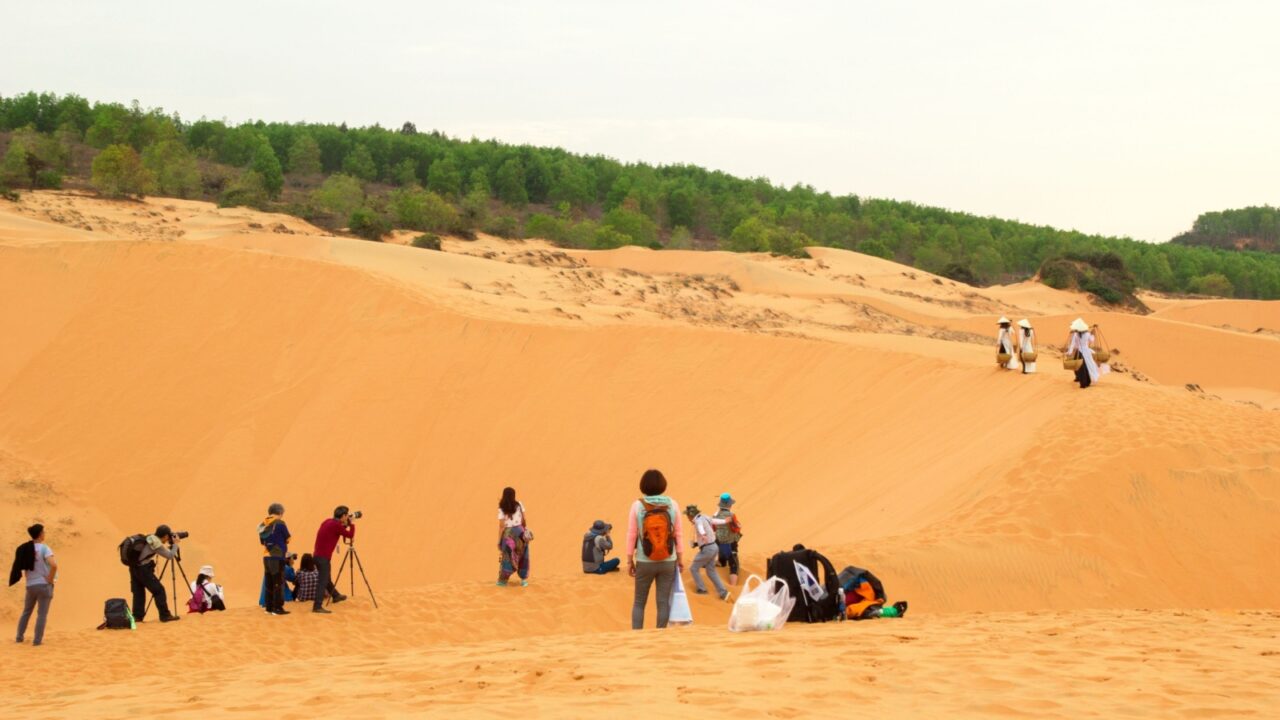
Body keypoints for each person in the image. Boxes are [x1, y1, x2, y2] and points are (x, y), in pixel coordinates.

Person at [626, 469, 685, 629]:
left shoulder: (637, 505)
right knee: (663, 601)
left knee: (639, 602)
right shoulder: (673, 504)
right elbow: (678, 534)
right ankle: (661, 635)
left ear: (643, 485)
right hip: (668, 559)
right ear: (663, 485)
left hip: (644, 560)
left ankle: (636, 635)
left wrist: (629, 560)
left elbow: (632, 534)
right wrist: (680, 559)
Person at [12, 524, 56, 646]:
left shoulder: (26, 548)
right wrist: (50, 579)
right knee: (42, 614)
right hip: (43, 585)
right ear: (40, 534)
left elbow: (25, 569)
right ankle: (37, 641)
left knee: (26, 612)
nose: (44, 534)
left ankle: (19, 637)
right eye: (44, 532)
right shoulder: (44, 548)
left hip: (30, 585)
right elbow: (53, 565)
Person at [128, 525, 181, 623]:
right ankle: (165, 615)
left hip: (134, 568)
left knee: (138, 592)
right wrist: (176, 544)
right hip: (143, 569)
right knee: (159, 590)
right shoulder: (156, 542)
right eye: (168, 536)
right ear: (165, 536)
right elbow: (169, 556)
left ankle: (137, 617)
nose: (168, 538)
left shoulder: (150, 537)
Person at [312, 506, 355, 613]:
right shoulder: (337, 525)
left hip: (317, 556)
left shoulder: (327, 521)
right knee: (323, 581)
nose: (347, 517)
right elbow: (350, 535)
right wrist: (352, 524)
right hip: (323, 558)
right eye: (347, 515)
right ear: (343, 516)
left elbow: (335, 531)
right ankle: (317, 606)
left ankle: (335, 596)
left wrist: (345, 524)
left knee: (326, 579)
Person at [684, 504, 731, 600]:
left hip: (707, 549)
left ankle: (702, 589)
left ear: (691, 515)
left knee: (693, 568)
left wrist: (703, 534)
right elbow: (714, 521)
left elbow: (701, 527)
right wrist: (725, 521)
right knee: (711, 571)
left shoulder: (697, 521)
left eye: (687, 515)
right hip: (714, 547)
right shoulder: (704, 517)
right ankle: (723, 593)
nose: (687, 518)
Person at [257, 503, 291, 616]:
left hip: (266, 556)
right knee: (278, 582)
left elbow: (262, 541)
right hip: (277, 556)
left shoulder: (263, 523)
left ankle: (269, 607)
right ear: (280, 512)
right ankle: (277, 608)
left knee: (269, 582)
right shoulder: (280, 523)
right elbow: (288, 538)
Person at [497, 487, 530, 587]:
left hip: (508, 535)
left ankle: (503, 581)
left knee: (507, 557)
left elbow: (501, 526)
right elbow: (524, 519)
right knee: (523, 556)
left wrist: (499, 541)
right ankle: (523, 580)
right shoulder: (519, 504)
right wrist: (523, 530)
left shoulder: (502, 507)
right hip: (520, 532)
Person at [1066, 318, 1104, 389]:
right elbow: (1092, 340)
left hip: (1079, 352)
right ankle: (1084, 380)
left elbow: (1073, 344)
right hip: (1086, 352)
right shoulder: (1087, 334)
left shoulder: (1076, 334)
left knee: (1079, 367)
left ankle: (1082, 381)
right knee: (1086, 366)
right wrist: (1093, 333)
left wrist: (1070, 352)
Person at [714, 493, 742, 586]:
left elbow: (713, 528)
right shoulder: (732, 515)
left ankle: (718, 562)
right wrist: (739, 526)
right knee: (734, 566)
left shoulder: (715, 516)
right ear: (730, 505)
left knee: (722, 563)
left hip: (718, 546)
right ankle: (733, 587)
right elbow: (736, 528)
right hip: (730, 546)